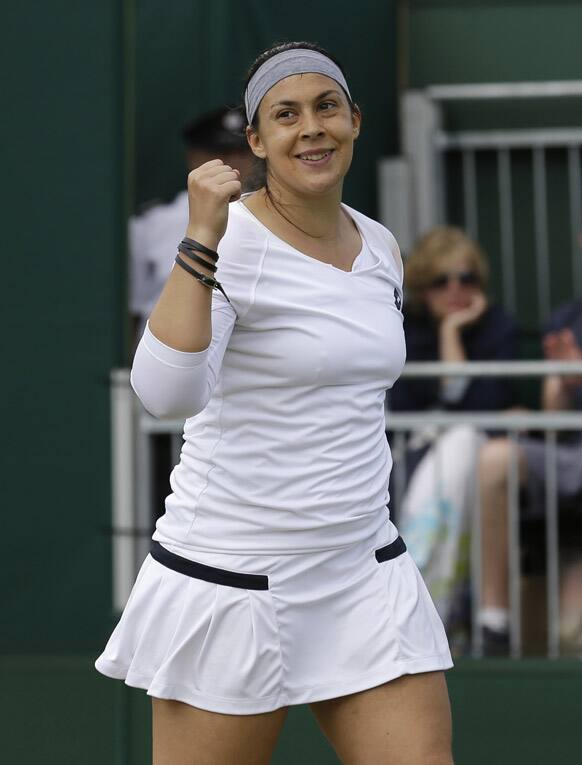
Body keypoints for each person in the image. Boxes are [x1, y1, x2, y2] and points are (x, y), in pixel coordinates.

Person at [96, 42, 454, 765]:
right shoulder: (226, 243)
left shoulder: (379, 245)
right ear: (256, 142)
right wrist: (202, 235)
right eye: (285, 115)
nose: (311, 128)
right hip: (231, 579)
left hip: (364, 572)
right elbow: (164, 394)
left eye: (327, 108)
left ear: (354, 120)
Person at [388, 227, 519, 645]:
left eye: (467, 279)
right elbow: (404, 409)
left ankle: (441, 611)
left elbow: (479, 409)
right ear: (424, 289)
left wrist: (454, 336)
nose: (456, 290)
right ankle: (423, 606)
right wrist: (446, 335)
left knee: (463, 443)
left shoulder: (496, 327)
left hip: (472, 458)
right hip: (409, 460)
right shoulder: (403, 329)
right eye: (442, 281)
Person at [478, 299, 582, 655]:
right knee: (496, 458)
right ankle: (494, 621)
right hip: (570, 450)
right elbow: (555, 420)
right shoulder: (567, 317)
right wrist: (565, 381)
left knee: (571, 634)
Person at [130, 106, 255, 338]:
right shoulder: (154, 224)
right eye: (216, 152)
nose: (229, 163)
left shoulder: (276, 220)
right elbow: (132, 311)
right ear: (193, 156)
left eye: (240, 152)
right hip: (168, 353)